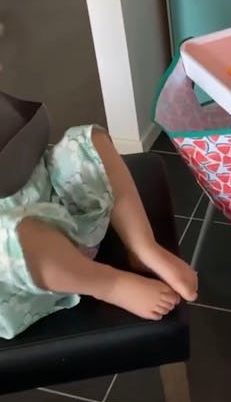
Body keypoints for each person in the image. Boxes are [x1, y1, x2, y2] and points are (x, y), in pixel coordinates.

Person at [0, 91, 198, 339]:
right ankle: (110, 285)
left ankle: (142, 247)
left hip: (60, 211)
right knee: (10, 239)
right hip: (25, 275)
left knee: (87, 139)